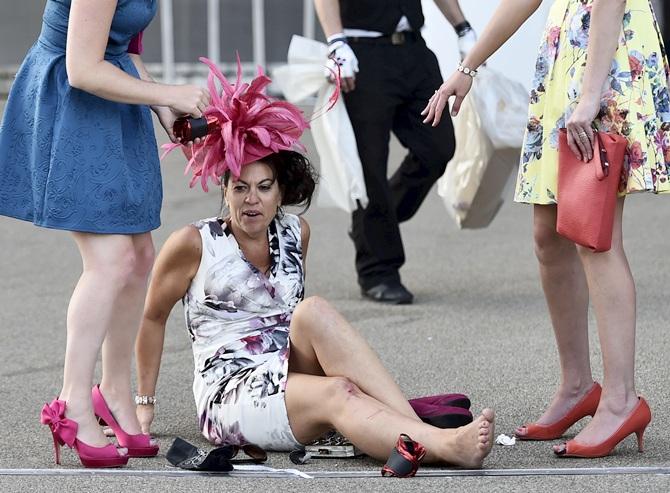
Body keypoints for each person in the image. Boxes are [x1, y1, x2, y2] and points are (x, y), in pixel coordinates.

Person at [134, 66, 496, 468]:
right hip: (231, 392)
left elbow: (293, 322)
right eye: (240, 187)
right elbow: (152, 318)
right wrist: (144, 404)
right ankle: (441, 445)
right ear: (224, 189)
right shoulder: (193, 242)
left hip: (284, 369)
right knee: (337, 391)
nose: (251, 200)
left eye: (264, 187)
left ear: (280, 191)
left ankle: (411, 429)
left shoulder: (296, 232)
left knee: (313, 310)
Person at [424, 0, 666, 457]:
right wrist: (468, 66)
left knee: (596, 238)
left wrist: (590, 97)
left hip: (603, 57)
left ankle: (620, 401)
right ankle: (577, 387)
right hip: (566, 57)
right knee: (548, 235)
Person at [0, 0, 210, 468]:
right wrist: (175, 91)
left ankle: (113, 393)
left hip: (114, 103)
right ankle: (72, 401)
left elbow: (126, 51)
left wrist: (164, 108)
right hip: (72, 102)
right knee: (111, 260)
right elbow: (81, 68)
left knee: (139, 256)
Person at [313, 0, 477, 304]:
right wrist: (336, 42)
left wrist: (462, 27)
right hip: (362, 52)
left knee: (438, 147)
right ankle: (378, 272)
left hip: (413, 51)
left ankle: (371, 228)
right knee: (369, 165)